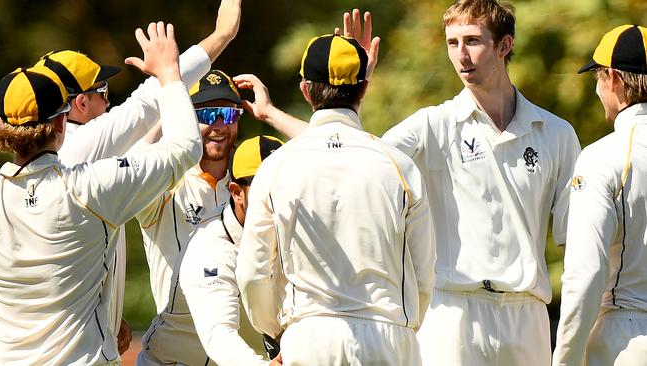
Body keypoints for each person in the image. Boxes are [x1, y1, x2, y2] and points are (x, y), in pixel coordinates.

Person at [245, 2, 582, 365]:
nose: (461, 55)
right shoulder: (433, 124)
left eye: (472, 41)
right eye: (452, 43)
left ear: (504, 46)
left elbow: (576, 241)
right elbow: (354, 156)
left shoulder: (557, 134)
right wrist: (293, 105)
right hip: (452, 310)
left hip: (527, 314)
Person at [30, 0, 243, 355]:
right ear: (80, 105)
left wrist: (108, 312)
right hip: (74, 354)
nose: (110, 105)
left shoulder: (17, 176)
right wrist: (219, 37)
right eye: (104, 94)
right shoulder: (80, 147)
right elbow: (150, 108)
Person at [0, 21, 203, 365]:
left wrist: (105, 310)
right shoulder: (89, 188)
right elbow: (184, 148)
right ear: (62, 121)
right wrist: (169, 74)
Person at [235, 34, 436, 365]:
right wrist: (403, 323)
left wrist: (276, 329)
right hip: (387, 336)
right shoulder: (399, 166)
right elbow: (424, 270)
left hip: (309, 336)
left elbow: (253, 271)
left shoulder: (276, 167)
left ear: (305, 90)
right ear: (364, 88)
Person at [134, 69, 253, 365]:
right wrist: (173, 110)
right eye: (207, 114)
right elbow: (132, 163)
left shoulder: (252, 183)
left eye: (228, 113)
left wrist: (350, 99)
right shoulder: (164, 184)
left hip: (238, 353)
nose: (220, 125)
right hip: (173, 356)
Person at [553, 24, 647, 366]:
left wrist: (565, 359)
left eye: (597, 78)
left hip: (626, 339)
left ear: (614, 80)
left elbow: (586, 274)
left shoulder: (601, 157)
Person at [180, 135, 285, 366]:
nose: (278, 198)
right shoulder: (209, 246)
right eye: (264, 189)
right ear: (237, 192)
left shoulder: (297, 222)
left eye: (284, 186)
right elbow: (218, 334)